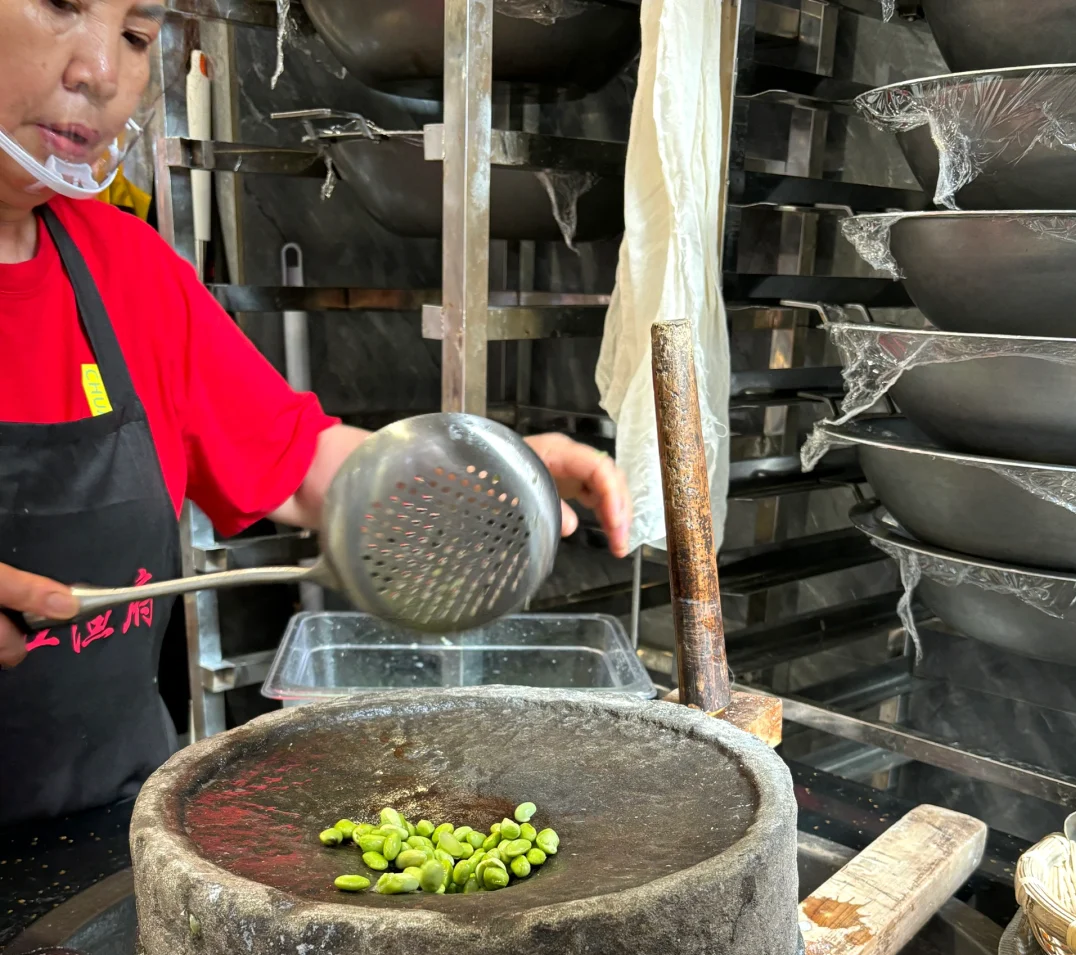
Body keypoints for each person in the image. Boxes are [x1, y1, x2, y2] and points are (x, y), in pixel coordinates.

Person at [0, 0, 631, 825]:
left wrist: (477, 477)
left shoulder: (126, 271)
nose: (102, 73)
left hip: (103, 841)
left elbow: (311, 473)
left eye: (135, 35)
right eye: (59, 5)